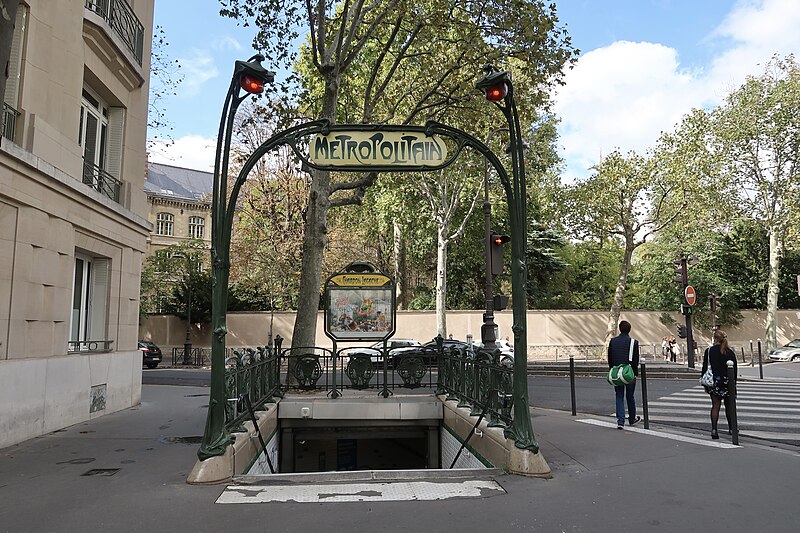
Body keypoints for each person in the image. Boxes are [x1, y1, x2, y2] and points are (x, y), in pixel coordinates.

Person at [702, 329, 737, 439]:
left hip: (715, 382)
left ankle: (714, 430)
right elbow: (735, 370)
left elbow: (704, 367)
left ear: (715, 339)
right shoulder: (730, 352)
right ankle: (732, 428)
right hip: (727, 382)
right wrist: (734, 383)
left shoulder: (709, 351)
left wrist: (704, 383)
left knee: (715, 406)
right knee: (729, 406)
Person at [607, 320, 641, 429]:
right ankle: (632, 418)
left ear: (620, 329)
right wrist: (636, 373)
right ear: (629, 330)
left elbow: (610, 358)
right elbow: (635, 360)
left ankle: (620, 421)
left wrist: (612, 368)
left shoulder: (613, 341)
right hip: (629, 372)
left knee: (619, 395)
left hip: (617, 372)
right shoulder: (633, 342)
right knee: (630, 396)